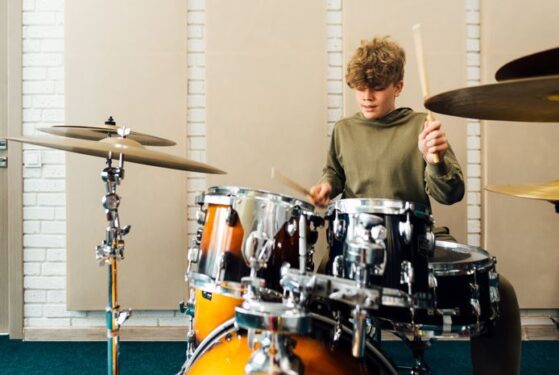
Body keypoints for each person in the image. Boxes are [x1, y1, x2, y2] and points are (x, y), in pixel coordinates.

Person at [309, 36, 521, 374]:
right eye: (360, 86)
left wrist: (433, 159)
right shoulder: (344, 130)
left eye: (376, 87)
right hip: (360, 246)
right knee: (316, 286)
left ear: (398, 86)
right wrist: (325, 187)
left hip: (415, 243)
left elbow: (451, 193)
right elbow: (333, 173)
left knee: (501, 292)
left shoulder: (422, 127)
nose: (366, 95)